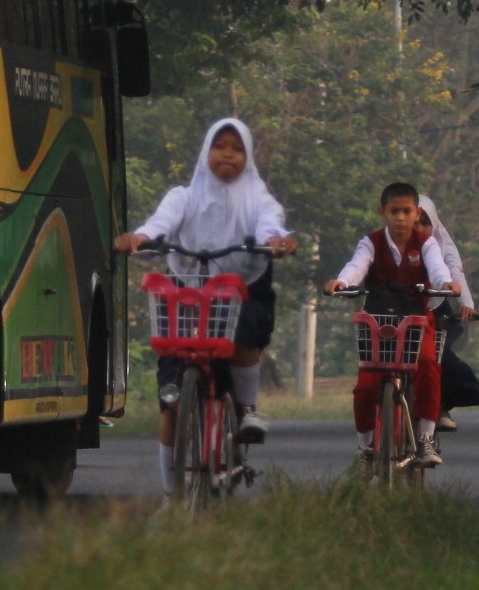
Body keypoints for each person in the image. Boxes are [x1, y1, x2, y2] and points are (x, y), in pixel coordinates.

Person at [114, 117, 296, 495]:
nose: (227, 154)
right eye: (220, 146)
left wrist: (276, 240)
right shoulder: (184, 196)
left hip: (242, 290)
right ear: (206, 151)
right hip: (188, 294)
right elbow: (159, 224)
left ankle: (246, 410)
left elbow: (269, 225)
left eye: (236, 148)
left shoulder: (260, 199)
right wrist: (140, 238)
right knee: (172, 403)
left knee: (247, 332)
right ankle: (171, 498)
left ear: (247, 156)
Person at [322, 181, 460, 471]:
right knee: (366, 384)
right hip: (378, 320)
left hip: (416, 320)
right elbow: (357, 265)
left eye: (406, 211)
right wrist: (342, 282)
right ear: (382, 212)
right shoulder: (371, 242)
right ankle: (365, 447)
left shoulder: (426, 242)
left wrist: (446, 283)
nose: (400, 218)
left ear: (416, 213)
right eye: (394, 211)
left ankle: (425, 438)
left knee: (427, 365)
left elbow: (437, 267)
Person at [417, 194, 479, 431]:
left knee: (438, 357)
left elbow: (452, 271)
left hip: (434, 307)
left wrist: (465, 301)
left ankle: (439, 405)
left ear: (433, 224)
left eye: (423, 224)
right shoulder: (386, 242)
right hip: (398, 309)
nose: (416, 230)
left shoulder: (440, 246)